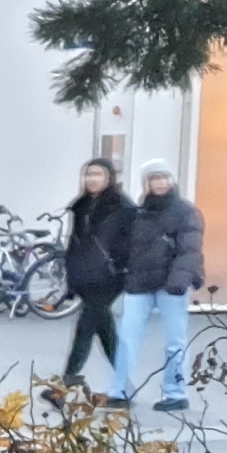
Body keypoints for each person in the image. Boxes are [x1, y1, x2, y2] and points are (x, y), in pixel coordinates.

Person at [117, 159, 203, 411]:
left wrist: (178, 282)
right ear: (147, 183)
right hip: (141, 283)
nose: (160, 183)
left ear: (172, 180)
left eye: (164, 177)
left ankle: (175, 393)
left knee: (175, 340)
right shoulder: (140, 213)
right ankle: (119, 390)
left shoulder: (186, 212)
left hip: (172, 285)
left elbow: (190, 250)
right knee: (127, 336)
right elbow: (131, 249)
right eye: (154, 178)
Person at [57, 157, 128, 389]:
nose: (92, 179)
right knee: (105, 331)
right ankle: (125, 384)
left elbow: (129, 244)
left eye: (98, 175)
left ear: (109, 177)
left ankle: (67, 381)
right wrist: (71, 277)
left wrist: (122, 270)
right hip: (85, 277)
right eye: (89, 174)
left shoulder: (121, 206)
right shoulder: (81, 206)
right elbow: (74, 243)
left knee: (85, 326)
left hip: (109, 278)